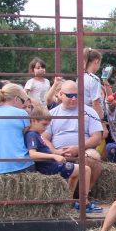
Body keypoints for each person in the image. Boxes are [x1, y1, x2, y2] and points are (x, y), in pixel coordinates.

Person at [44, 80, 104, 211]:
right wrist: (54, 151)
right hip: (59, 153)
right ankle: (67, 199)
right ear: (60, 95)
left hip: (84, 150)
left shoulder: (89, 111)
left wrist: (78, 148)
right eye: (70, 95)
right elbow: (44, 138)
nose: (74, 99)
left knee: (93, 156)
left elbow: (97, 137)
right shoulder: (52, 114)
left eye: (77, 95)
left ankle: (83, 197)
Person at [26, 106, 93, 201]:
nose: (45, 128)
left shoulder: (36, 134)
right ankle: (84, 201)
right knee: (86, 169)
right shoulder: (32, 135)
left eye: (47, 125)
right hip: (50, 167)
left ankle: (69, 199)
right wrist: (54, 156)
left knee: (78, 171)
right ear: (33, 121)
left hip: (51, 165)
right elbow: (32, 154)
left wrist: (58, 154)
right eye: (44, 124)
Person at [0, 83, 34, 175]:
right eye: (23, 101)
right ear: (16, 99)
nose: (23, 105)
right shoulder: (21, 113)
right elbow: (28, 135)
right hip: (19, 165)